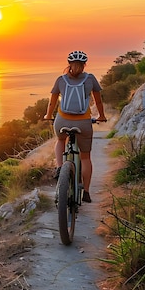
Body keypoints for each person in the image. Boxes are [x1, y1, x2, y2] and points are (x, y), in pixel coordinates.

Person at [43, 50, 107, 203]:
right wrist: (101, 116)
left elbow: (52, 102)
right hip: (83, 122)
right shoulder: (90, 79)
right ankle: (86, 191)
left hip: (62, 121)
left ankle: (60, 167)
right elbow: (98, 102)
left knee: (60, 140)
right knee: (85, 157)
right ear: (84, 65)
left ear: (69, 64)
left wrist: (48, 115)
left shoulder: (61, 79)